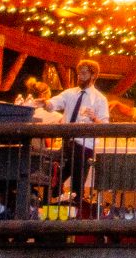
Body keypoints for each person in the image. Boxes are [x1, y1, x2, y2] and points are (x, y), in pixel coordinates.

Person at [46, 62, 111, 211]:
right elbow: (54, 103)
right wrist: (45, 103)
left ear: (93, 76)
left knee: (77, 182)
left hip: (84, 145)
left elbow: (105, 127)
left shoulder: (99, 99)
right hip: (68, 142)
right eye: (79, 74)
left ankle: (76, 212)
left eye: (84, 74)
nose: (80, 77)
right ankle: (54, 207)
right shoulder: (70, 93)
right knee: (56, 176)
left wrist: (94, 118)